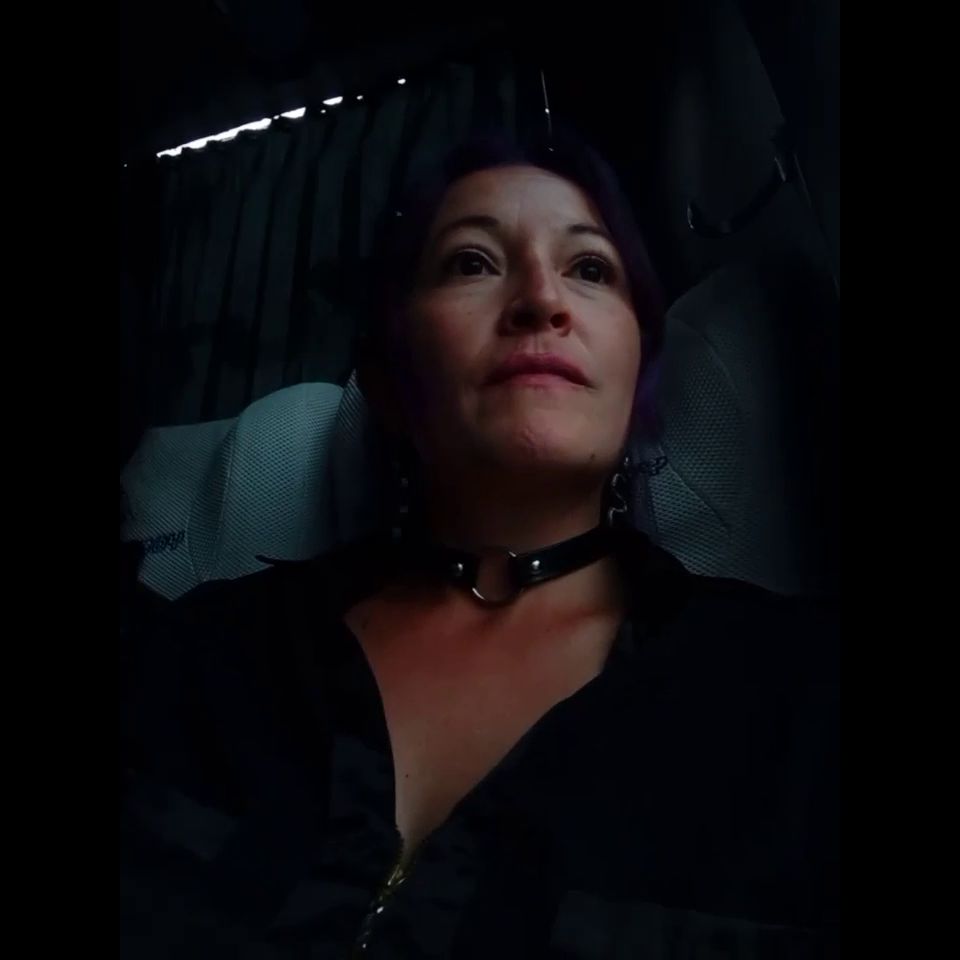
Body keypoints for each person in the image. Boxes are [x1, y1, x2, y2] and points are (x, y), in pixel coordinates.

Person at [120, 132, 839, 959]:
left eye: (591, 268)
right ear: (387, 377)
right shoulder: (196, 659)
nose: (541, 298)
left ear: (640, 376)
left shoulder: (801, 700)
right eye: (472, 262)